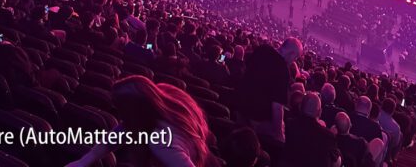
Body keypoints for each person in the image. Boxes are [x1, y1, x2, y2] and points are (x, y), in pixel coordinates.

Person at [63, 75, 220, 167]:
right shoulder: (164, 96)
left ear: (133, 110)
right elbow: (121, 132)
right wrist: (83, 162)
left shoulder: (161, 142)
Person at [237, 38, 301, 145]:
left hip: (239, 105)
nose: (294, 60)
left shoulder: (262, 49)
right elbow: (277, 106)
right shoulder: (282, 70)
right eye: (296, 57)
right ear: (292, 53)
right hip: (256, 118)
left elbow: (245, 71)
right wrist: (279, 134)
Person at [284, 92, 342, 167]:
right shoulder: (328, 136)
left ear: (300, 107)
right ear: (320, 112)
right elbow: (336, 162)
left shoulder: (289, 124)